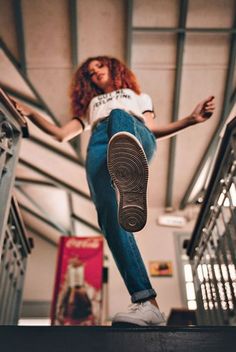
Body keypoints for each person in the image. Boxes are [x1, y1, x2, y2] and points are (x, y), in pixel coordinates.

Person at [14, 55, 215, 326]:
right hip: (98, 145)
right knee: (110, 219)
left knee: (118, 116)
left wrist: (191, 119)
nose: (95, 72)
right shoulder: (91, 107)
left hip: (135, 132)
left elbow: (154, 130)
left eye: (99, 65)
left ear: (113, 67)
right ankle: (146, 302)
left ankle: (128, 166)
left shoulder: (138, 96)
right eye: (89, 72)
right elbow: (61, 134)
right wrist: (31, 113)